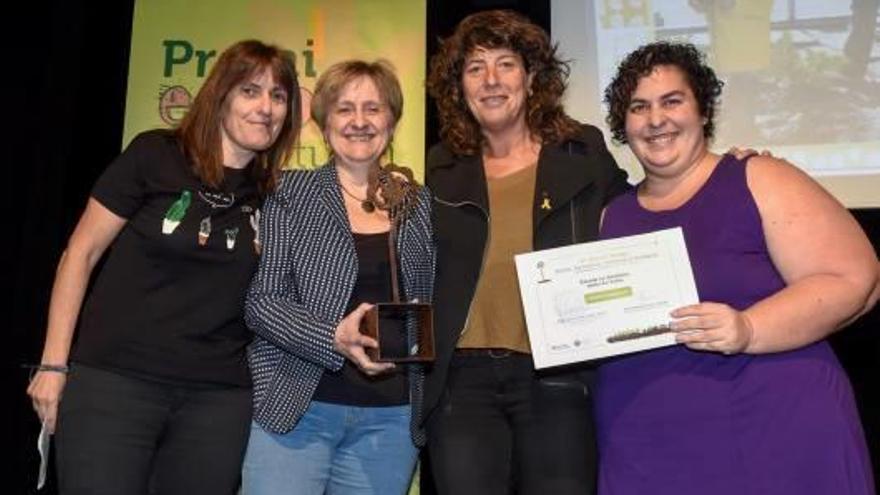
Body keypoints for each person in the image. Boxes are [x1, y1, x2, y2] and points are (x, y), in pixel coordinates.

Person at [597, 41, 880, 495]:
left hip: (776, 436)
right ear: (622, 124)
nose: (655, 120)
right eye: (638, 107)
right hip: (650, 451)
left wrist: (748, 327)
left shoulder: (758, 176)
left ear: (703, 111)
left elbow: (854, 279)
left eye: (673, 101)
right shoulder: (612, 215)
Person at [25, 39, 301, 494]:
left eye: (278, 96)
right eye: (250, 91)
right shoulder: (156, 154)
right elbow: (81, 253)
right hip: (115, 385)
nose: (265, 107)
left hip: (216, 401)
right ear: (221, 96)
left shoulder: (274, 194)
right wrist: (53, 366)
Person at [423, 10, 630, 495]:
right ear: (459, 86)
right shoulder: (441, 165)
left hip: (555, 374)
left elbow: (638, 213)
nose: (491, 81)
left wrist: (710, 169)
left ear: (532, 76)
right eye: (475, 68)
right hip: (462, 382)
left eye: (505, 64)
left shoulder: (580, 149)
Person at [241, 59, 434, 495]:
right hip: (297, 408)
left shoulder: (420, 204)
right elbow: (262, 300)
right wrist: (333, 336)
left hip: (392, 418)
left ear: (393, 119)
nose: (360, 121)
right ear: (324, 122)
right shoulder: (289, 192)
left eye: (374, 108)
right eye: (345, 109)